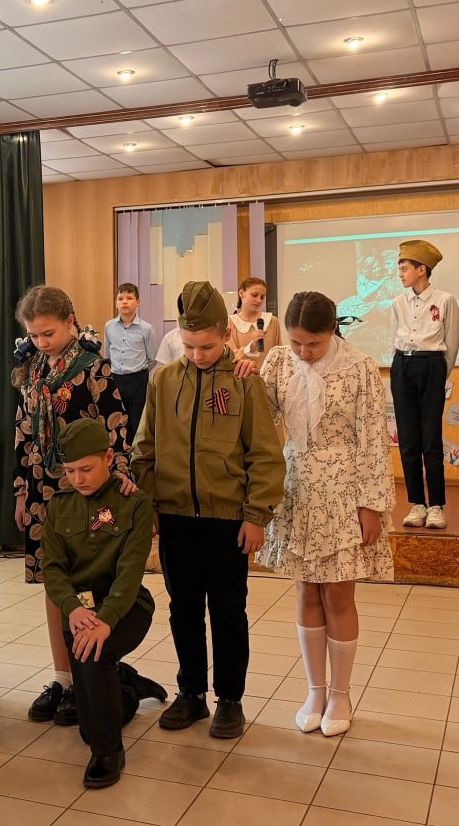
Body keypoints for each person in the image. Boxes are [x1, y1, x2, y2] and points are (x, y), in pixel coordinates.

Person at [132, 280, 285, 739]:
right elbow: (145, 447)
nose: (198, 355)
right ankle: (192, 693)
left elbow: (264, 454)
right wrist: (148, 505)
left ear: (226, 333)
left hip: (227, 521)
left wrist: (256, 515)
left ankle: (230, 700)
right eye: (189, 346)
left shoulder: (244, 381)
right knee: (183, 611)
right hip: (176, 517)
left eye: (207, 346)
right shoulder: (162, 381)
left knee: (228, 613)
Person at [251, 291, 394, 738]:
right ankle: (315, 691)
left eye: (313, 343)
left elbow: (373, 438)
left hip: (344, 490)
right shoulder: (279, 362)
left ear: (332, 331)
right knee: (306, 592)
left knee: (338, 595)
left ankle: (341, 694)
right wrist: (245, 373)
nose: (304, 351)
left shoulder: (360, 368)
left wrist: (372, 505)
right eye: (296, 342)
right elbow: (260, 414)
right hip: (296, 486)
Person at [12, 284, 133, 727]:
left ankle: (90, 675)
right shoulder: (32, 370)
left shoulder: (93, 367)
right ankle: (62, 677)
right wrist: (21, 491)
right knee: (55, 581)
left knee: (89, 580)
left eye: (49, 333)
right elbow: (23, 430)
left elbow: (117, 427)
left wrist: (119, 473)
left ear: (70, 322)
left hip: (85, 490)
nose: (42, 342)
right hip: (42, 490)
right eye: (34, 335)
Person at [42, 418, 166, 788]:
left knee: (93, 655)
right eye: (69, 471)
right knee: (86, 715)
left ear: (109, 458)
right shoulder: (60, 506)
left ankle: (108, 751)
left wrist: (106, 619)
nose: (77, 479)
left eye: (86, 469)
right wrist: (72, 608)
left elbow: (130, 573)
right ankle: (126, 687)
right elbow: (53, 568)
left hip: (126, 608)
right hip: (80, 611)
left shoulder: (134, 503)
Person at [389, 240, 459, 530]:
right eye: (399, 269)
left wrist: (439, 374)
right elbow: (394, 337)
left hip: (431, 365)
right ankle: (417, 503)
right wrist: (399, 367)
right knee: (407, 439)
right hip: (402, 365)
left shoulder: (445, 300)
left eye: (405, 268)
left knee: (430, 439)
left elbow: (452, 344)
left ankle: (437, 506)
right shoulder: (398, 303)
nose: (400, 274)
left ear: (422, 270)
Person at [104, 283, 159, 441]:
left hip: (138, 381)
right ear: (116, 303)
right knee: (116, 420)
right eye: (120, 298)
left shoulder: (146, 328)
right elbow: (107, 354)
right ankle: (119, 452)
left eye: (129, 298)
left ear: (138, 302)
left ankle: (136, 453)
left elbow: (152, 358)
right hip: (116, 379)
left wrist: (138, 371)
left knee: (137, 421)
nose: (124, 302)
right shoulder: (109, 326)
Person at [228, 277, 281, 367]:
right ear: (241, 293)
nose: (259, 300)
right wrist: (249, 348)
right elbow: (231, 358)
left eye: (262, 297)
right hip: (243, 375)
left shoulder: (272, 321)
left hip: (269, 375)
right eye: (254, 295)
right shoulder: (231, 323)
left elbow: (279, 353)